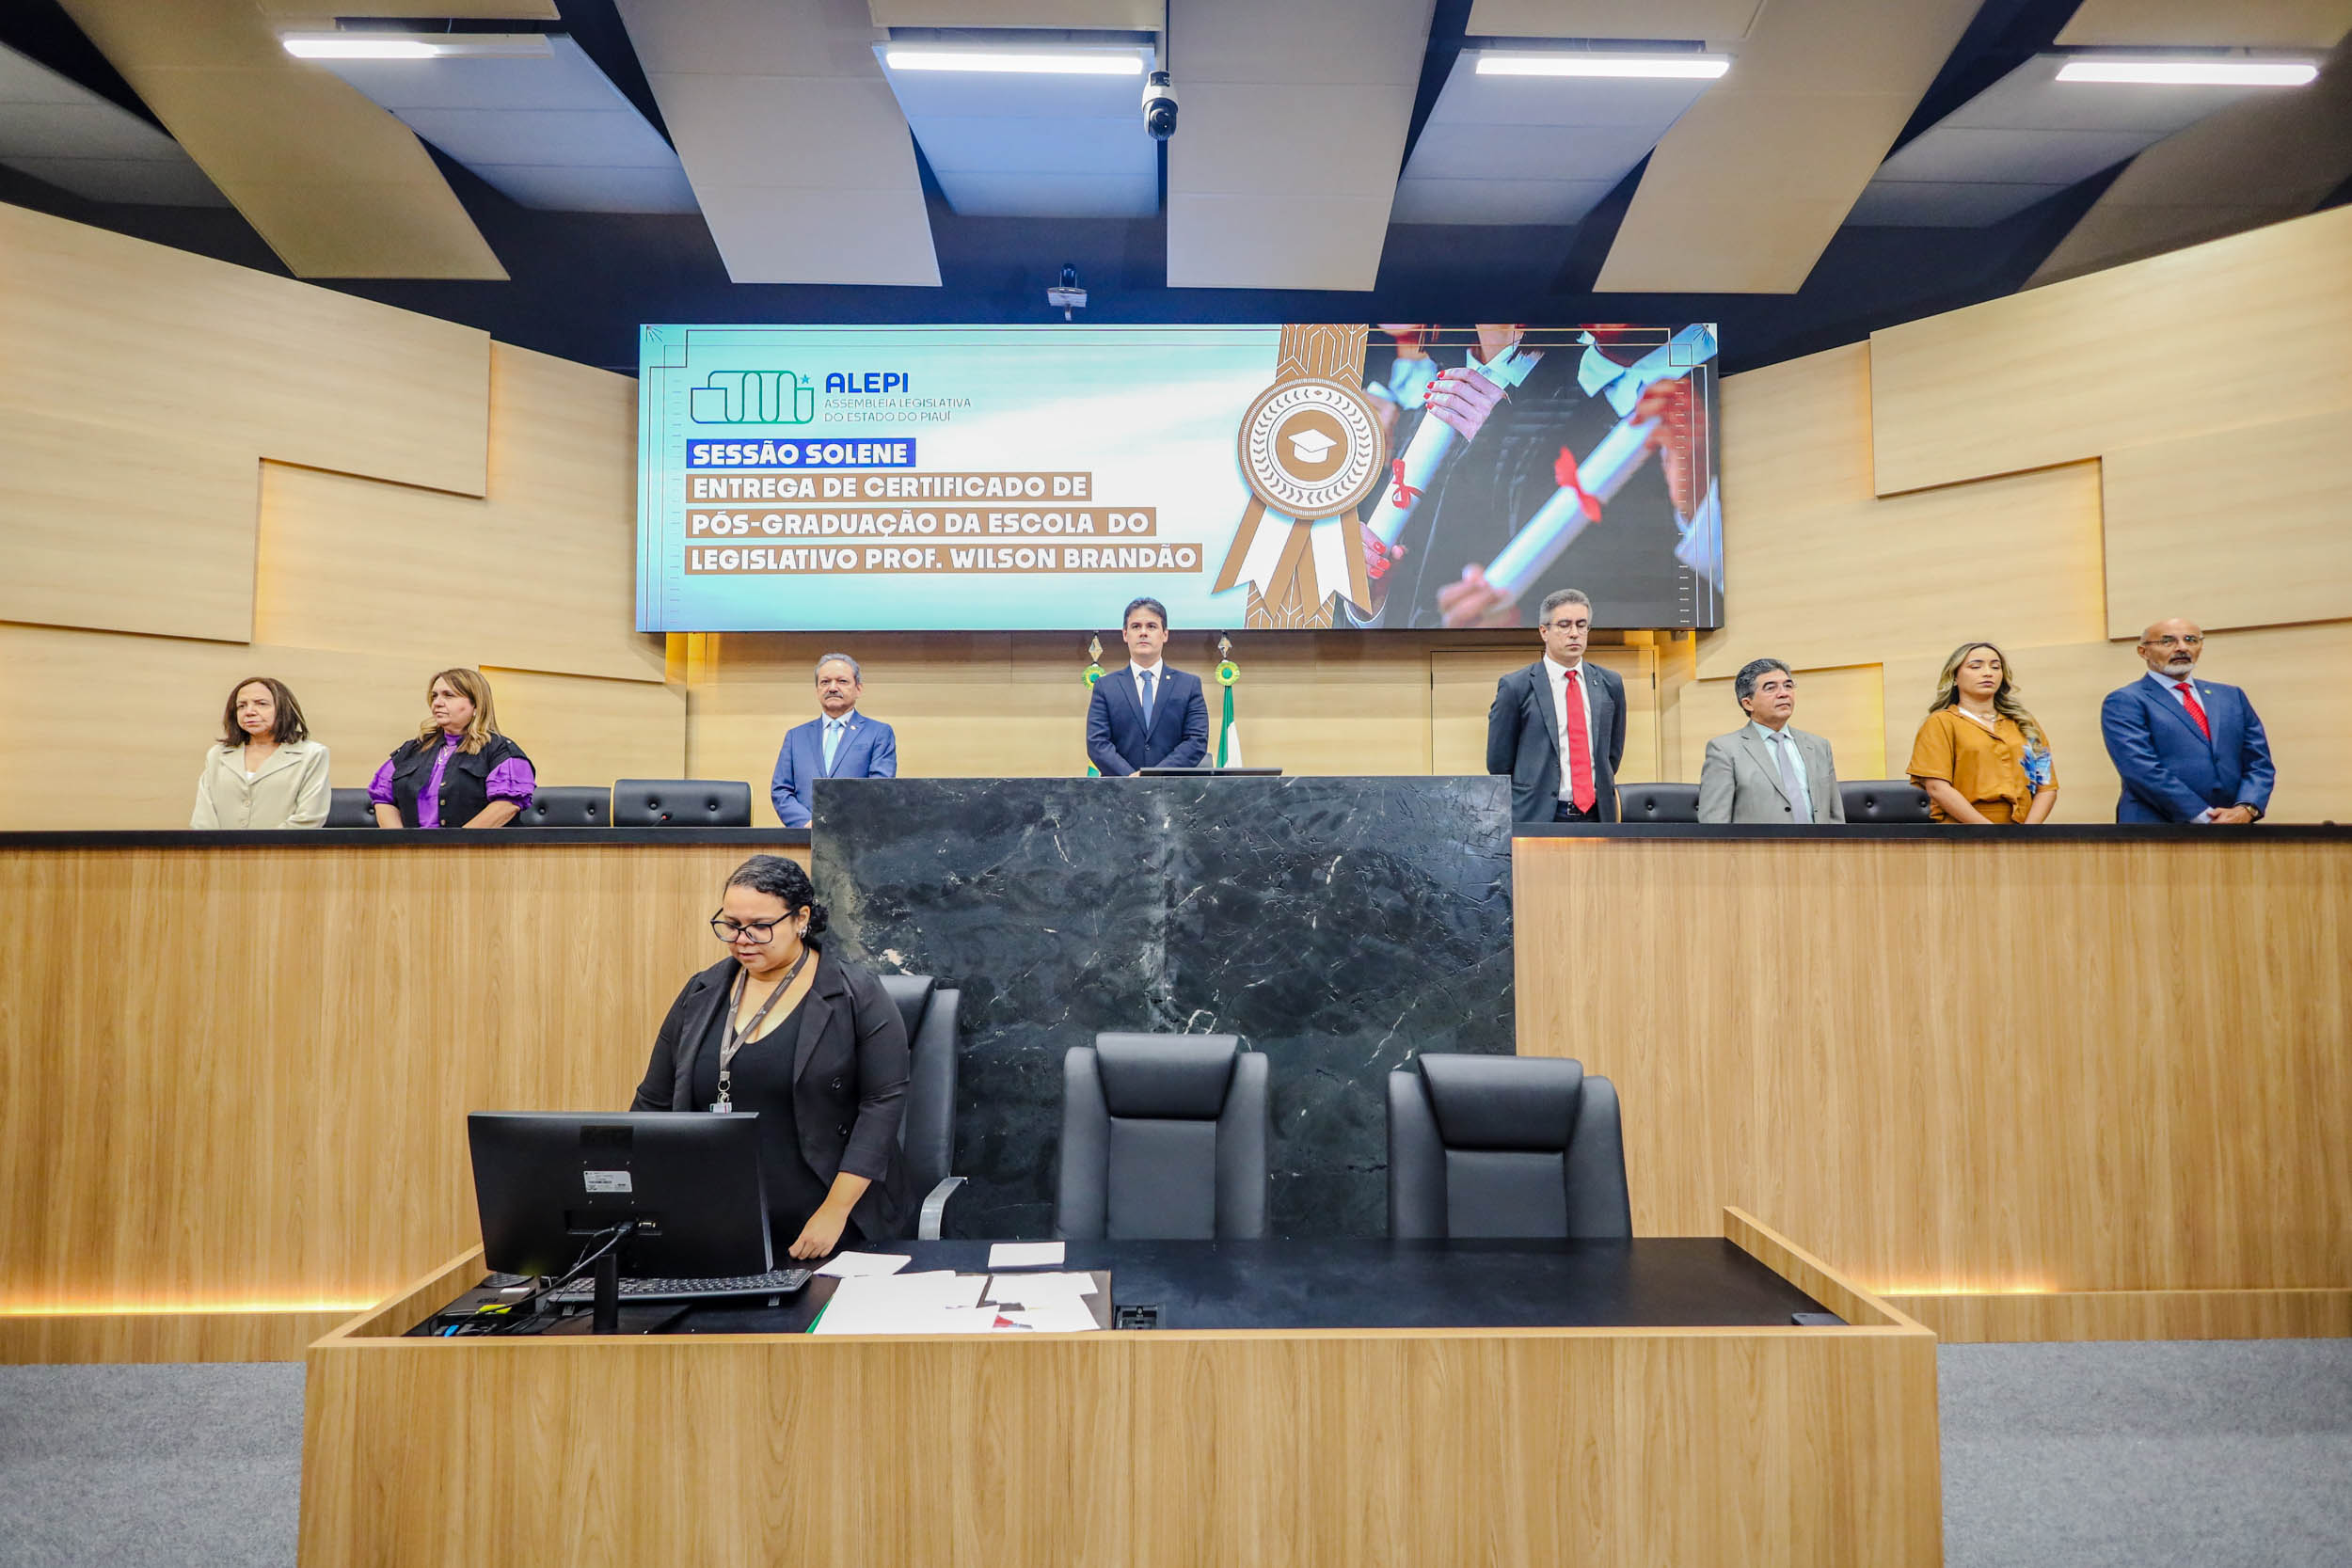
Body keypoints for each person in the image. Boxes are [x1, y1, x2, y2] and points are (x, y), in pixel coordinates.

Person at [631, 855, 911, 1257]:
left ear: (801, 919)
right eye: (730, 925)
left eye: (760, 927)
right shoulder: (701, 992)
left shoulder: (854, 994)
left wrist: (834, 1211)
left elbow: (883, 1103)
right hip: (715, 1219)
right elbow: (653, 1103)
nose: (742, 939)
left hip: (827, 1222)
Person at [2099, 618, 2273, 824]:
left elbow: (2259, 763)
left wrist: (2247, 808)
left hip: (2233, 827)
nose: (2182, 648)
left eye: (2191, 640)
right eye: (2167, 641)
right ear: (2143, 652)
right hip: (2155, 827)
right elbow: (2140, 768)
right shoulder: (2125, 700)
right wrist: (2204, 817)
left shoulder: (2231, 696)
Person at [1486, 588, 1627, 824]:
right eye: (1564, 625)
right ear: (1544, 631)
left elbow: (1612, 755)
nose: (1574, 633)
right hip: (1538, 815)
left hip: (1597, 815)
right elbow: (1498, 762)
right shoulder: (1516, 687)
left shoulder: (1609, 683)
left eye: (1582, 625)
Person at [1905, 642, 2058, 825]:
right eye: (1976, 666)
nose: (1988, 673)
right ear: (1954, 677)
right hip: (1965, 833)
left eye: (1995, 667)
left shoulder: (2024, 723)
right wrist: (1988, 832)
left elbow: (2047, 786)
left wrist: (2028, 834)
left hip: (2022, 832)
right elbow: (1937, 787)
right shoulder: (1941, 722)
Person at [367, 668, 534, 829]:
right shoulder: (413, 748)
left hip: (475, 854)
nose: (437, 703)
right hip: (414, 853)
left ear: (475, 705)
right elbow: (382, 798)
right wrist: (400, 845)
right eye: (434, 696)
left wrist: (455, 847)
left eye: (449, 695)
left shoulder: (501, 750)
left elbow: (507, 805)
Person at [1697, 658, 1846, 824]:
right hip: (1757, 850)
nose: (1784, 693)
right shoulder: (1724, 750)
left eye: (1788, 686)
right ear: (1748, 703)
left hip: (1818, 849)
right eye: (1771, 688)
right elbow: (1714, 822)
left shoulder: (1819, 746)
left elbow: (1835, 816)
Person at [770, 653, 898, 827]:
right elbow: (781, 790)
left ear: (859, 689)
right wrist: (807, 823)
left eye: (842, 681)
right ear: (817, 691)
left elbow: (879, 789)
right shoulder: (795, 736)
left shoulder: (878, 733)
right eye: (825, 682)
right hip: (804, 838)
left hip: (857, 837)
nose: (832, 688)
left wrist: (839, 825)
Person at [1086, 596, 1209, 775]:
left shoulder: (1189, 685)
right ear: (1125, 634)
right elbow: (1097, 743)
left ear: (1165, 634)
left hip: (1175, 793)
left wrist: (1152, 776)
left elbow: (1196, 741)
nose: (1143, 632)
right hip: (1120, 792)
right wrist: (1131, 778)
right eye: (1136, 626)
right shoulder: (1105, 687)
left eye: (1151, 626)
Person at [190, 676, 331, 830]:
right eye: (241, 706)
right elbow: (203, 819)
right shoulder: (217, 754)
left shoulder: (312, 754)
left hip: (283, 851)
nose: (249, 712)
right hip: (222, 852)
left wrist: (260, 850)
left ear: (283, 709)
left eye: (261, 704)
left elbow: (309, 819)